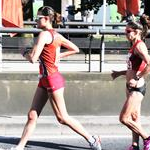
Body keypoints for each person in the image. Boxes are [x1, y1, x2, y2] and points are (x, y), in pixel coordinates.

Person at [9, 6, 101, 150]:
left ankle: (92, 139)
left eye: (38, 18)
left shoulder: (44, 35)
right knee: (32, 115)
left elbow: (33, 58)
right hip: (45, 79)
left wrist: (24, 52)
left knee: (62, 118)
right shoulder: (56, 35)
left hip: (52, 79)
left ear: (46, 19)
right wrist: (59, 55)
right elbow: (75, 49)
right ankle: (20, 147)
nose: (35, 21)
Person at [111, 15, 150, 150]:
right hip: (130, 87)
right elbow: (131, 69)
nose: (126, 34)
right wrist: (119, 73)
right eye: (125, 31)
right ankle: (134, 145)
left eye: (128, 31)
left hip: (137, 88)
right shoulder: (133, 46)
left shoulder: (140, 46)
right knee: (134, 118)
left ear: (137, 32)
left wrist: (138, 77)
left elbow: (149, 64)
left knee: (124, 118)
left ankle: (147, 138)